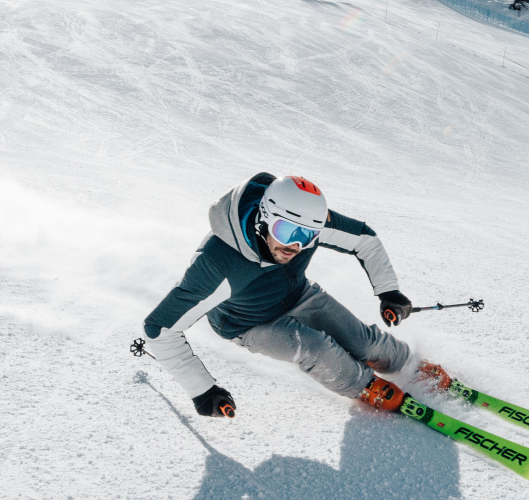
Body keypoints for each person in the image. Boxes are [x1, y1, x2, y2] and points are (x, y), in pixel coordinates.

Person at [141, 173, 431, 419]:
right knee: (316, 348)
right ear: (264, 218)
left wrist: (388, 289)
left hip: (298, 294)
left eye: (306, 236)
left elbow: (363, 238)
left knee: (365, 343)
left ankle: (408, 364)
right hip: (248, 323)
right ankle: (364, 386)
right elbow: (159, 329)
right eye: (286, 230)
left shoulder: (308, 225)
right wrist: (201, 389)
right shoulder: (219, 263)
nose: (294, 245)